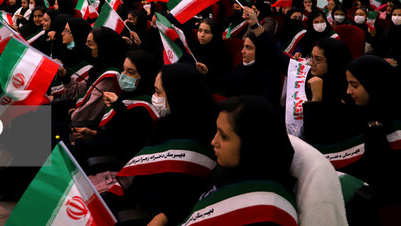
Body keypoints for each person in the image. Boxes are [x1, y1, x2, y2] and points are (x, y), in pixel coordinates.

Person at [314, 56, 401, 210]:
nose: (348, 91)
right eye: (348, 84)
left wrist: (376, 139)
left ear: (374, 85)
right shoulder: (366, 109)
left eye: (354, 85)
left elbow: (386, 177)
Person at [115, 63, 217, 225]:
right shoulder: (165, 124)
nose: (154, 97)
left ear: (177, 94)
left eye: (157, 92)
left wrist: (164, 216)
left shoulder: (207, 134)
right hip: (136, 199)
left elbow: (189, 194)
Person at [178, 96, 297, 226]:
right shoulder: (229, 169)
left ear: (251, 144)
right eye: (216, 131)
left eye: (224, 136)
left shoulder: (267, 213)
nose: (213, 142)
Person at [70, 49, 161, 167]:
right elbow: (113, 131)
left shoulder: (145, 106)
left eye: (131, 72)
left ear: (145, 75)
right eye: (123, 69)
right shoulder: (125, 96)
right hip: (101, 144)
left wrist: (118, 107)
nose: (124, 75)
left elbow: (127, 141)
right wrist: (92, 133)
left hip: (116, 161)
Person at [220, 8, 284, 107]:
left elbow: (263, 105)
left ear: (259, 51)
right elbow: (224, 83)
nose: (242, 52)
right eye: (243, 47)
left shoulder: (268, 74)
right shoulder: (242, 67)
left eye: (248, 48)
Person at [68, 27, 127, 128]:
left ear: (104, 47)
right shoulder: (97, 68)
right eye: (86, 43)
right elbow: (78, 90)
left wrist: (70, 112)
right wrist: (64, 76)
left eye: (90, 44)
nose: (86, 47)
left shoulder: (109, 78)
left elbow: (83, 115)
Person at [302, 39, 354, 144]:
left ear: (333, 61)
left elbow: (315, 137)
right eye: (311, 57)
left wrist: (316, 99)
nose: (312, 63)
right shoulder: (312, 77)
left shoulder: (350, 91)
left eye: (318, 59)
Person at [192, 18, 228, 93]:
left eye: (207, 32)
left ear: (214, 34)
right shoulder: (194, 49)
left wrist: (207, 74)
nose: (201, 35)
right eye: (200, 30)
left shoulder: (222, 55)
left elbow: (221, 83)